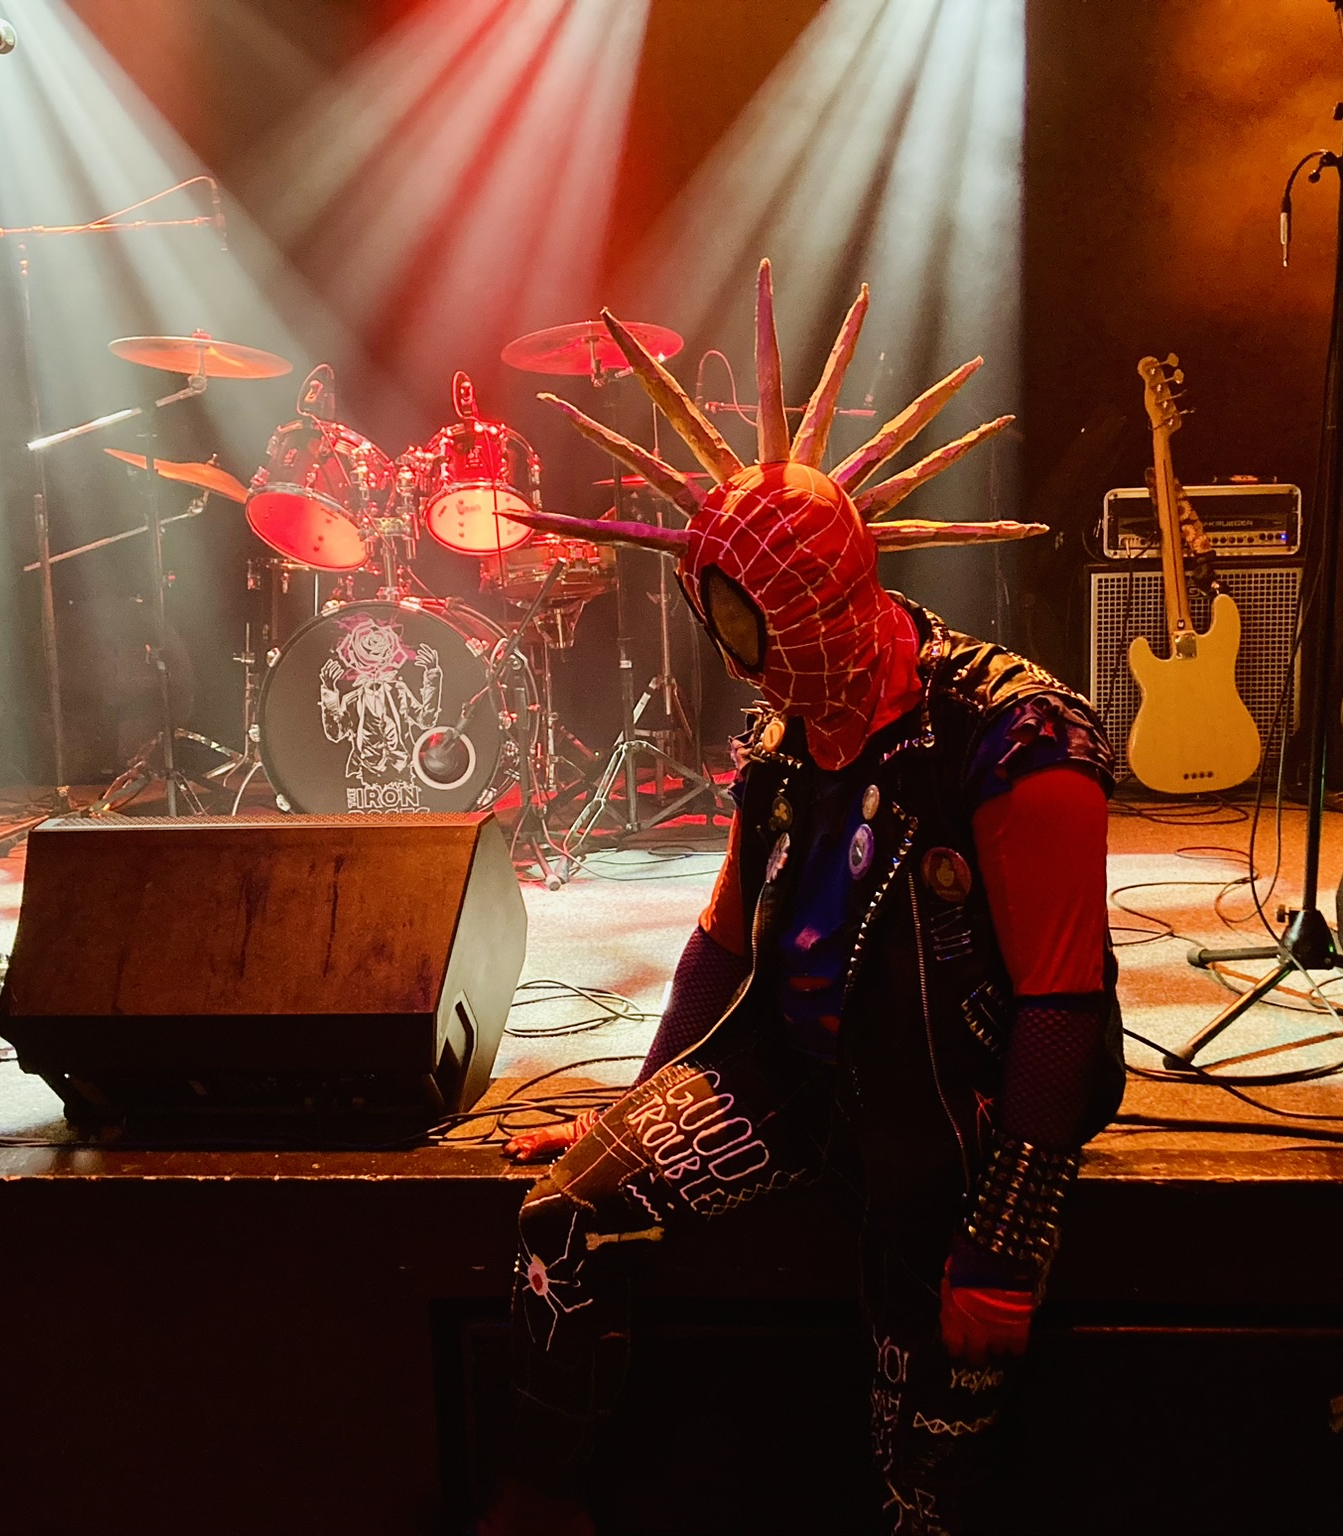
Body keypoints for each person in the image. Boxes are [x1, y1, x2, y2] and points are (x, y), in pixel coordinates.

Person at [483, 263, 1122, 1536]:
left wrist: (1002, 1246)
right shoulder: (786, 748)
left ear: (812, 600)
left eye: (744, 613)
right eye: (712, 609)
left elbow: (1063, 1011)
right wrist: (645, 1101)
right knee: (563, 1220)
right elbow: (723, 946)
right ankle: (548, 1499)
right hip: (789, 1080)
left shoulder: (1015, 745)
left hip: (946, 1131)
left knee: (921, 1475)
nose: (732, 650)